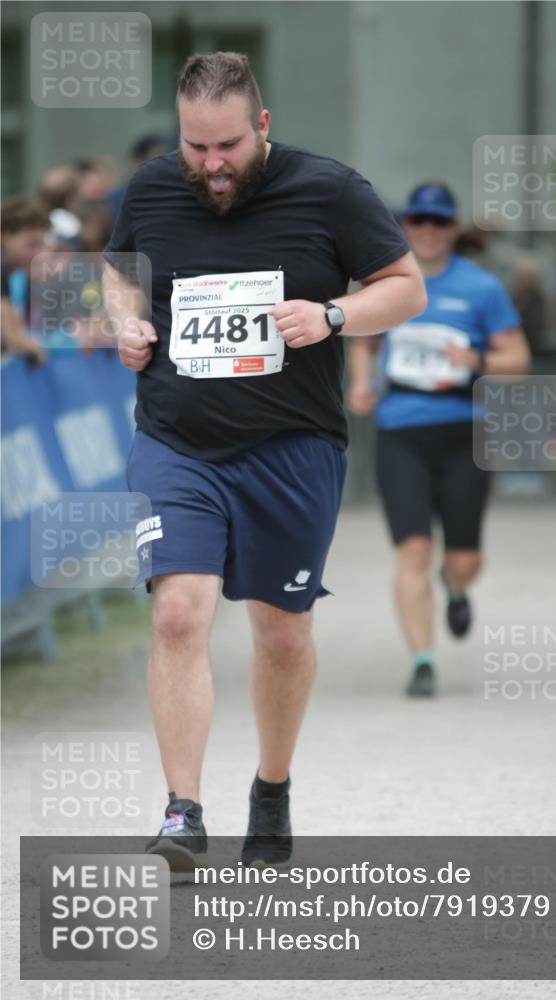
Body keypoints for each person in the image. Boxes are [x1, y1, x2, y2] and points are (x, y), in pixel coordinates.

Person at [102, 51, 425, 868]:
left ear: (264, 126)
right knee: (179, 613)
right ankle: (182, 812)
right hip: (176, 440)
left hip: (292, 446)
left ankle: (272, 786)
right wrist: (127, 322)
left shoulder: (331, 190)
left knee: (281, 635)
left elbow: (406, 287)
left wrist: (333, 315)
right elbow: (118, 271)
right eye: (196, 147)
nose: (212, 166)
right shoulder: (151, 188)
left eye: (229, 147)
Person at [348, 183, 529, 697]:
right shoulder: (384, 282)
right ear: (405, 226)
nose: (428, 230)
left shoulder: (481, 287)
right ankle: (422, 662)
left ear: (453, 228)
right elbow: (365, 342)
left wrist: (477, 361)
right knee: (413, 550)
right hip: (401, 432)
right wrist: (360, 383)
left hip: (464, 431)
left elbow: (518, 359)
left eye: (439, 221)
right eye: (418, 220)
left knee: (464, 560)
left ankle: (455, 587)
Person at [1, 198, 49, 364]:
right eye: (32, 245)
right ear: (4, 238)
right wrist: (32, 346)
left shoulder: (19, 277)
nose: (41, 253)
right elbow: (13, 339)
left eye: (43, 244)